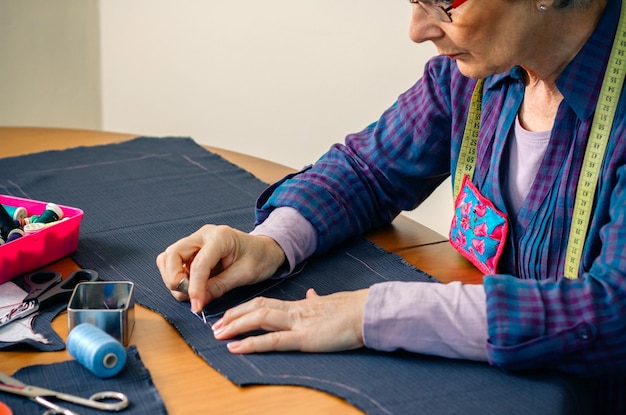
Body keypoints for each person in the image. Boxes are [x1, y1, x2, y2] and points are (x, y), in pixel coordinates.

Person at [158, 0, 624, 410]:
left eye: (444, 1)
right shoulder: (476, 76)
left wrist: (373, 314)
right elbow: (367, 171)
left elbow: (614, 311)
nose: (417, 29)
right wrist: (269, 242)